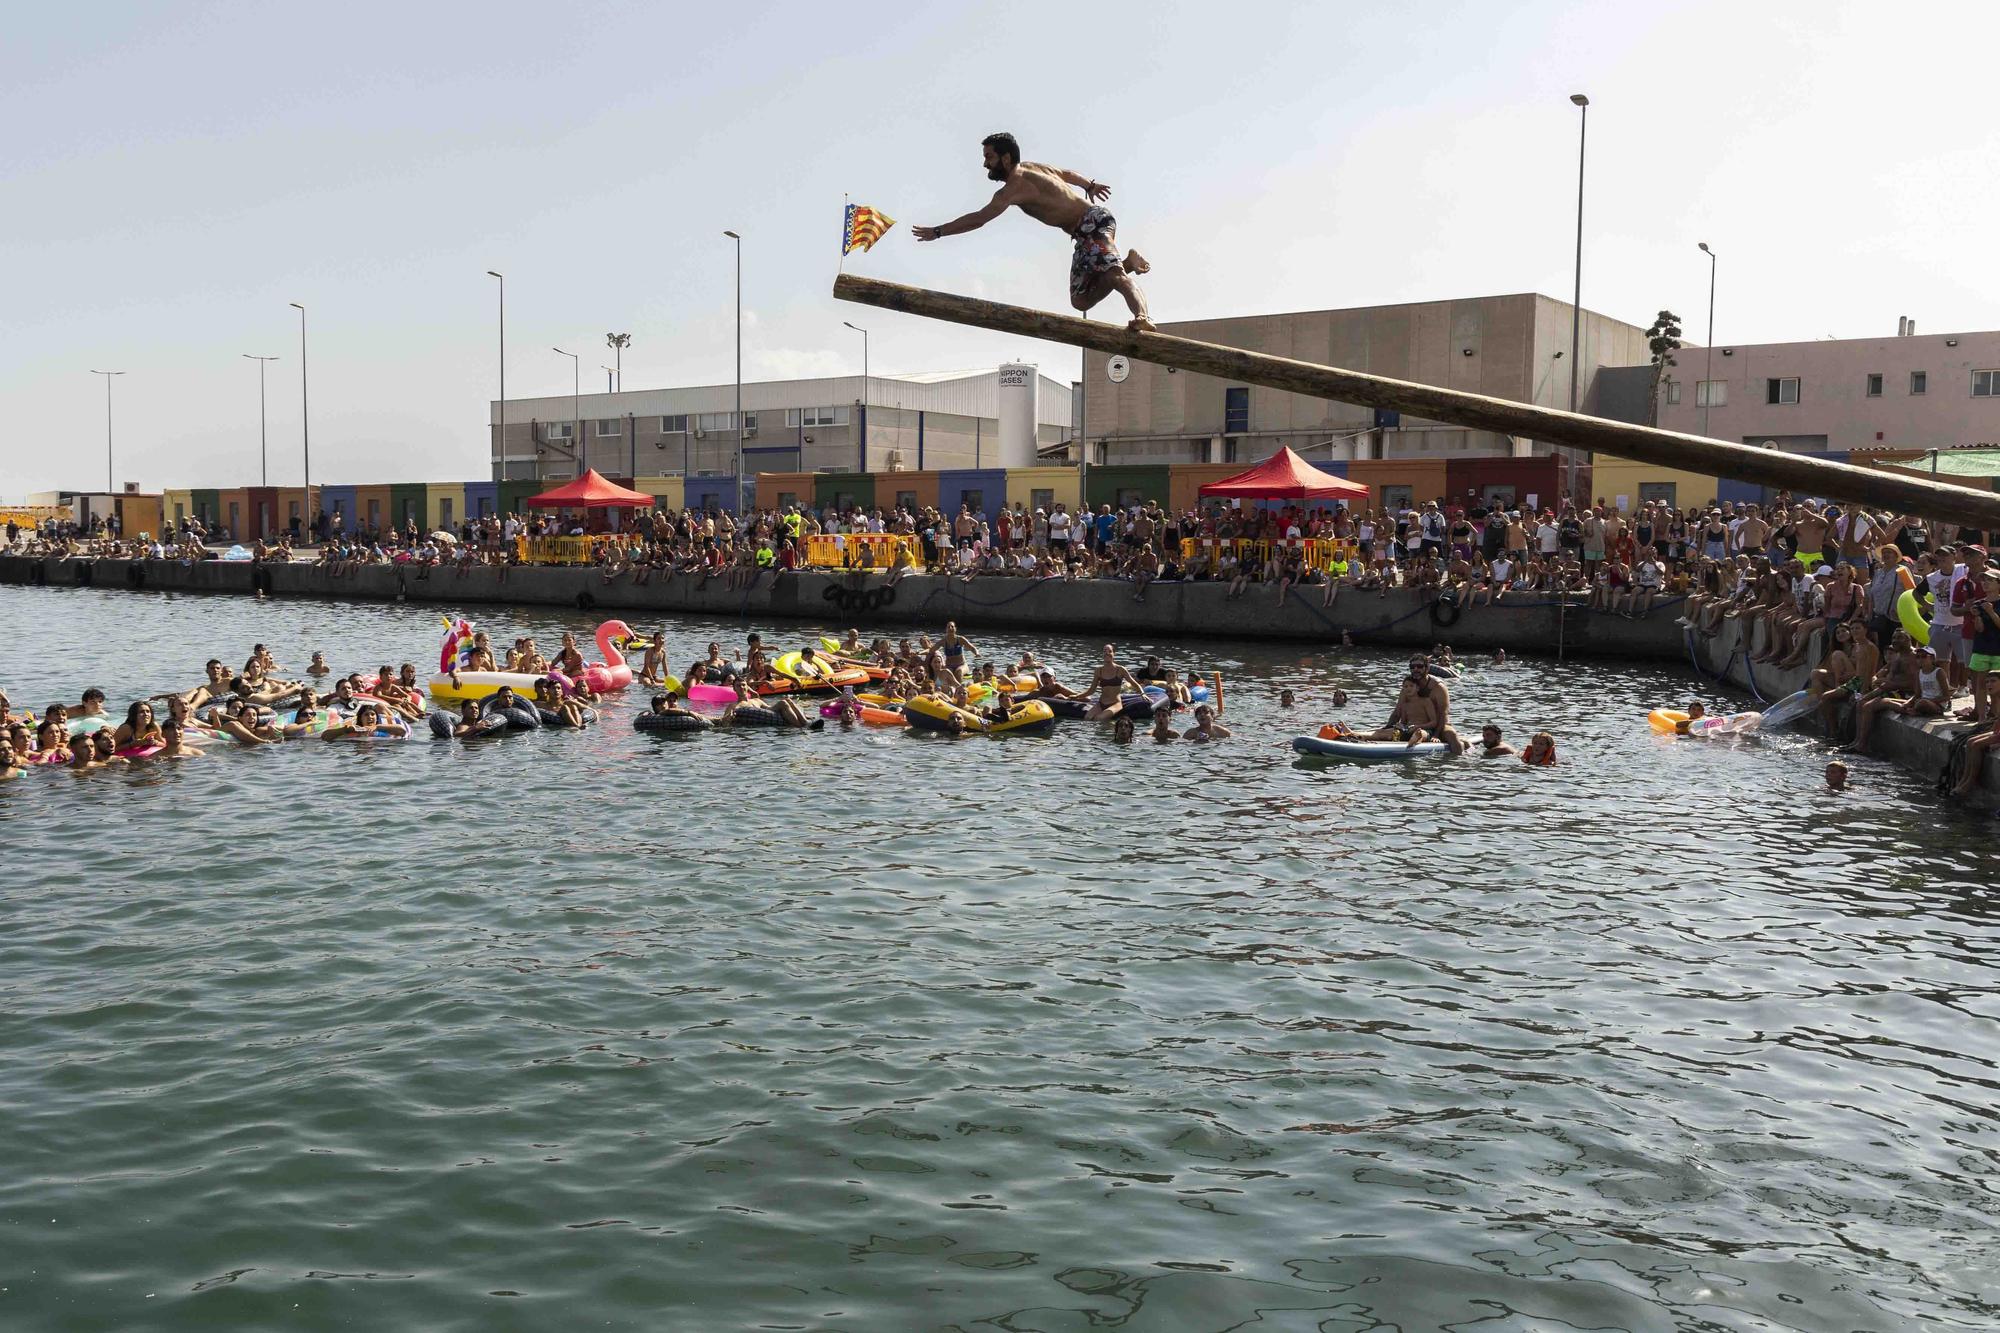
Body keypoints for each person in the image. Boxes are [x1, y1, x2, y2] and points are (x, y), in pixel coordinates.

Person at [913, 131, 1155, 331]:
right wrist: (1088, 185)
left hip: (1093, 222)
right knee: (1080, 300)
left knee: (1114, 276)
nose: (985, 163)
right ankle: (1129, 263)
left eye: (989, 157)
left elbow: (979, 219)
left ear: (1006, 158)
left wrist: (938, 231)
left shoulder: (1011, 189)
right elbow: (1065, 174)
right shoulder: (1034, 167)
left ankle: (1143, 317)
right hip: (1082, 235)